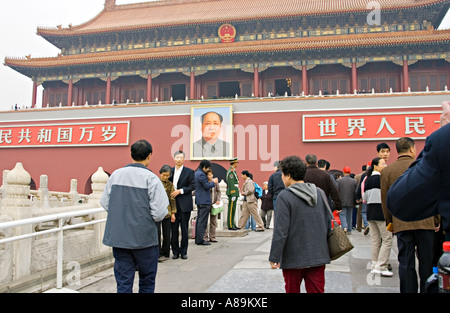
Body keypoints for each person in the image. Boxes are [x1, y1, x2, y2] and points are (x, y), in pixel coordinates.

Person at [101, 140, 169, 293]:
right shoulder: (151, 179)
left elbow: (105, 203)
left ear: (131, 154)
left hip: (120, 239)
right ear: (149, 156)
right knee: (146, 281)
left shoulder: (116, 175)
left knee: (124, 282)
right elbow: (159, 213)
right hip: (144, 239)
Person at [381, 137, 439, 293]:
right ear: (413, 149)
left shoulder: (387, 171)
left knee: (406, 262)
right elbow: (433, 194)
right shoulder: (424, 168)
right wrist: (436, 219)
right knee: (426, 262)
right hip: (425, 222)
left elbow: (386, 200)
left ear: (397, 150)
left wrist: (390, 222)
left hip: (401, 223)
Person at [388, 102, 450, 241]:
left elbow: (399, 201)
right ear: (411, 149)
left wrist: (442, 139)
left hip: (404, 221)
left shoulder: (443, 139)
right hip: (427, 225)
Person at [269, 156, 331, 293]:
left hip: (293, 257)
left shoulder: (285, 196)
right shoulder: (319, 193)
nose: (282, 178)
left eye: (283, 175)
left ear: (289, 175)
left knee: (292, 290)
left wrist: (275, 255)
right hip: (318, 254)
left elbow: (281, 230)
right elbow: (327, 223)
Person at [363, 157, 393, 277]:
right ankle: (382, 266)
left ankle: (375, 264)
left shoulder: (368, 179)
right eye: (383, 164)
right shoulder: (383, 178)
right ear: (375, 166)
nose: (385, 166)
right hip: (382, 212)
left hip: (370, 212)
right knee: (387, 239)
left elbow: (364, 198)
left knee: (375, 240)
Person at [170, 151, 195, 260]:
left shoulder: (189, 172)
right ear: (174, 159)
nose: (179, 159)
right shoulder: (170, 171)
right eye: (177, 157)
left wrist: (180, 191)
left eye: (181, 157)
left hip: (184, 204)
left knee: (184, 229)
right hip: (173, 204)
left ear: (184, 159)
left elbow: (192, 186)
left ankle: (183, 251)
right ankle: (175, 252)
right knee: (174, 229)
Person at [194, 159, 218, 245]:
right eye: (207, 168)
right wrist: (213, 182)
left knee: (199, 220)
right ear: (204, 167)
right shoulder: (201, 174)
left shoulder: (196, 173)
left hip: (200, 200)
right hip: (204, 201)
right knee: (202, 222)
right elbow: (206, 186)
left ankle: (198, 239)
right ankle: (200, 240)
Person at [158, 165, 177, 262]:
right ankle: (157, 254)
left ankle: (165, 253)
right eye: (164, 175)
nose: (165, 177)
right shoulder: (156, 183)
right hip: (156, 211)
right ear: (160, 173)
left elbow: (172, 199)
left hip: (167, 212)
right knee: (157, 234)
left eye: (167, 176)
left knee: (167, 233)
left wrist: (173, 213)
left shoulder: (170, 184)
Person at [338, 166, 357, 234]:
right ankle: (349, 229)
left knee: (342, 214)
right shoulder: (354, 181)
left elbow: (337, 191)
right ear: (350, 172)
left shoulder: (339, 181)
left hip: (342, 200)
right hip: (351, 201)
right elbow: (355, 192)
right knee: (349, 215)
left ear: (343, 172)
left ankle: (344, 227)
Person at [204, 169, 221, 243]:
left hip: (214, 204)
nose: (210, 176)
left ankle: (212, 236)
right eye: (209, 175)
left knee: (213, 221)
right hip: (206, 203)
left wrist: (218, 199)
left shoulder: (215, 182)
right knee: (205, 221)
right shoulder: (204, 182)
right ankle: (205, 237)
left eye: (211, 174)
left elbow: (218, 191)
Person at [226, 158, 239, 230]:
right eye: (236, 163)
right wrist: (233, 193)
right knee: (231, 209)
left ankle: (233, 223)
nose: (237, 164)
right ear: (234, 163)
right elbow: (231, 183)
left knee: (233, 209)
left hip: (235, 191)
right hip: (232, 192)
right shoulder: (231, 172)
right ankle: (230, 225)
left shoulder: (233, 171)